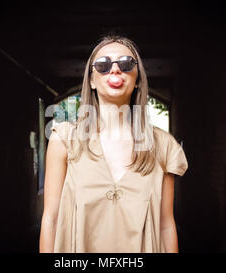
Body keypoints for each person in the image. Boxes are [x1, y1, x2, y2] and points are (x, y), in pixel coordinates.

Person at [39, 35, 188, 253]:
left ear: (137, 78)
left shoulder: (163, 145)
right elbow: (50, 219)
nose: (115, 70)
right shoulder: (64, 139)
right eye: (103, 65)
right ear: (91, 80)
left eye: (127, 63)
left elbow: (166, 225)